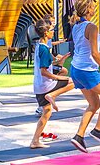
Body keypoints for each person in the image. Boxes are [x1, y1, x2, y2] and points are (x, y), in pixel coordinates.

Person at [68, 0, 100, 153]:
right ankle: (98, 130)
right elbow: (93, 53)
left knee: (94, 104)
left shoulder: (76, 25)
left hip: (76, 69)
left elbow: (85, 48)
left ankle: (79, 136)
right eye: (93, 7)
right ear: (88, 9)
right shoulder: (92, 27)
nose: (94, 9)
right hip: (87, 70)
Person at [29, 18, 73, 149]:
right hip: (46, 86)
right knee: (73, 81)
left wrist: (61, 60)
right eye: (52, 30)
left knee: (47, 112)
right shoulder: (43, 49)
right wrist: (58, 78)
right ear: (45, 33)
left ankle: (35, 141)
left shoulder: (40, 46)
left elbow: (46, 66)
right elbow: (44, 71)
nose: (53, 32)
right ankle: (52, 95)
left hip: (38, 87)